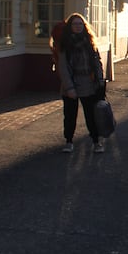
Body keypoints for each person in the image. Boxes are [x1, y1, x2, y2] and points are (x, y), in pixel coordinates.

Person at [55, 13, 106, 153]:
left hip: (88, 83)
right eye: (75, 24)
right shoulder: (65, 45)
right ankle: (69, 141)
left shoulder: (89, 42)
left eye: (80, 24)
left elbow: (97, 63)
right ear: (70, 27)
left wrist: (100, 80)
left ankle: (96, 141)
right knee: (70, 115)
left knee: (91, 115)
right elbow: (63, 67)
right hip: (71, 83)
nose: (78, 27)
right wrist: (69, 87)